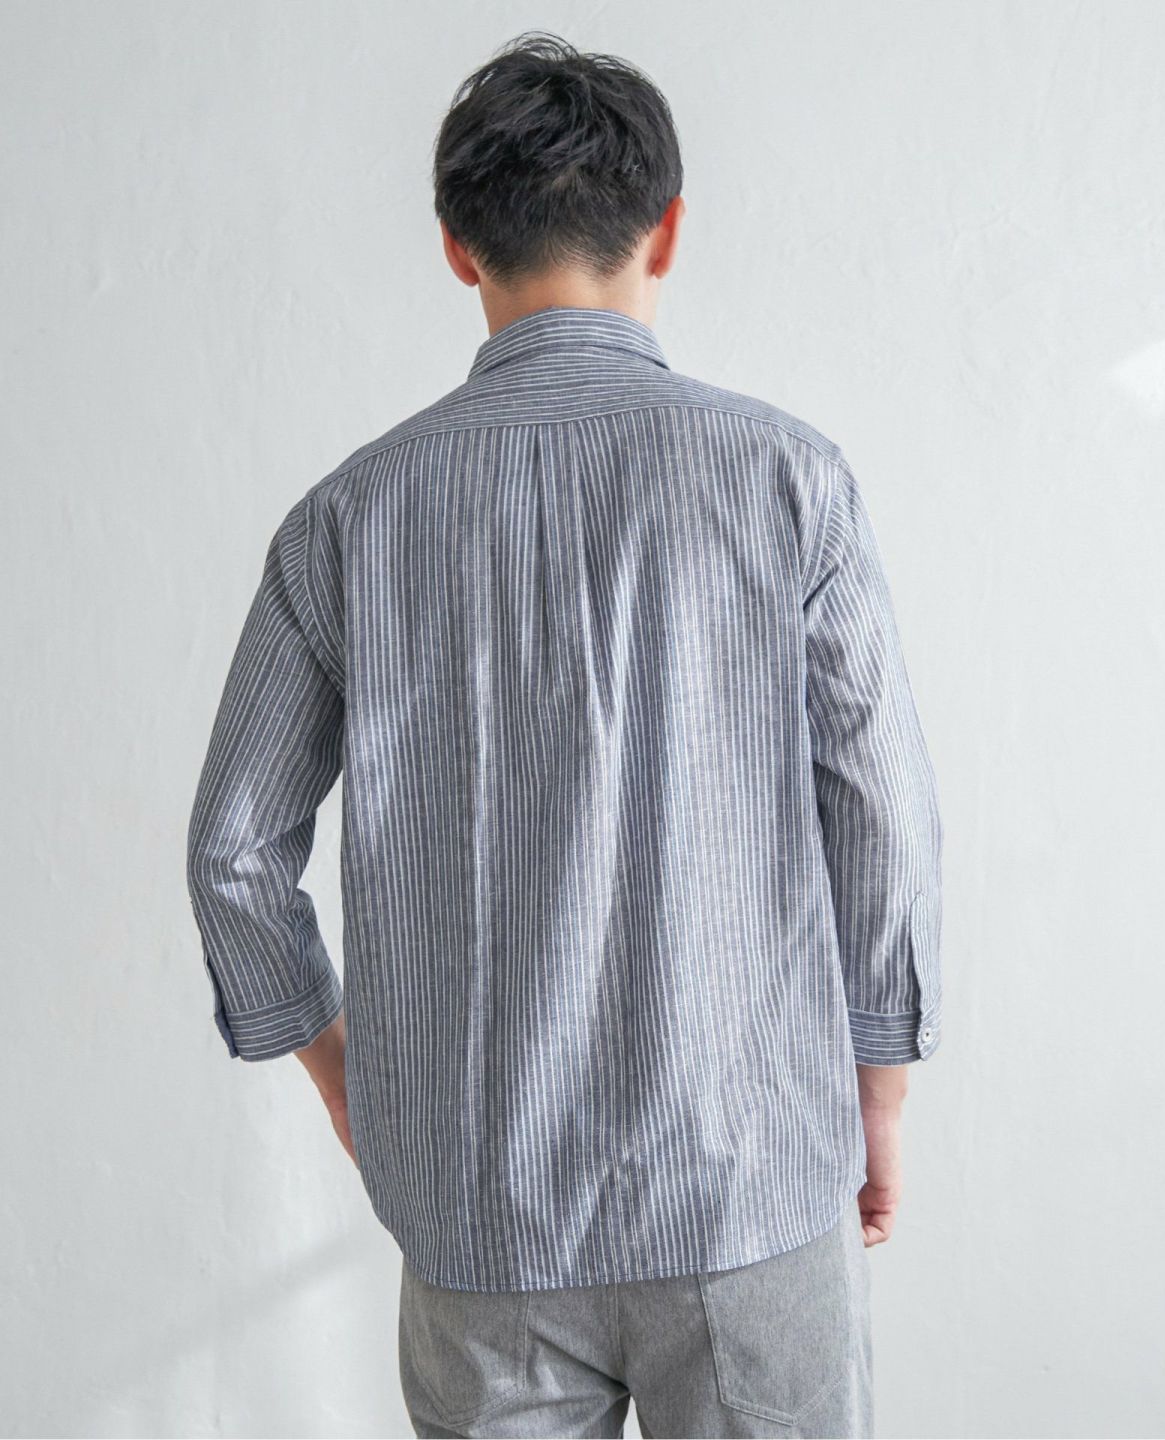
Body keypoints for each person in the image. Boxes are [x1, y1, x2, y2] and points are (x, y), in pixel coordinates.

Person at [185, 30, 944, 1440]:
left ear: (456, 248)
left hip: (480, 1212)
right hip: (748, 1187)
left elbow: (233, 852)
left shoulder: (348, 519)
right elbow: (882, 809)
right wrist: (880, 1092)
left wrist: (356, 1088)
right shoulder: (787, 479)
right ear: (669, 230)